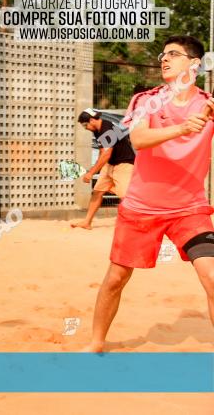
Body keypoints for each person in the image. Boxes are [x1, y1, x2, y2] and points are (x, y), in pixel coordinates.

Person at [83, 35, 214, 352]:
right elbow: (139, 139)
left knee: (212, 276)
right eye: (162, 54)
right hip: (143, 207)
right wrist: (182, 128)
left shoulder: (208, 104)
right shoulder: (147, 100)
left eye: (173, 54)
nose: (164, 59)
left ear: (194, 64)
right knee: (116, 279)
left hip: (190, 209)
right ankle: (96, 343)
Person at [71, 109, 135, 229]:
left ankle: (136, 223)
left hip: (124, 164)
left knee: (126, 196)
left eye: (85, 125)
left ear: (91, 120)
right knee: (97, 192)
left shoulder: (107, 129)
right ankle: (87, 222)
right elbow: (102, 152)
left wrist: (91, 172)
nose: (85, 128)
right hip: (110, 164)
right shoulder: (98, 130)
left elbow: (106, 153)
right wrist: (96, 168)